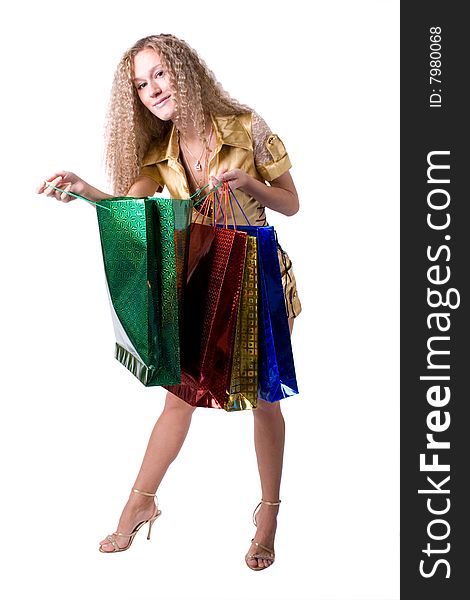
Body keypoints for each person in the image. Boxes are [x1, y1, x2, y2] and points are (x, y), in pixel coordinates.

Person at [36, 34, 301, 571]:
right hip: (202, 277)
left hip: (258, 276)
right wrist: (84, 190)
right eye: (140, 83)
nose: (151, 89)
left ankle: (268, 515)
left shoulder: (247, 126)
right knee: (177, 399)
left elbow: (292, 203)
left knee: (264, 398)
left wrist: (248, 180)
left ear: (184, 72)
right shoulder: (160, 154)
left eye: (159, 74)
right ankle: (139, 502)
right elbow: (125, 207)